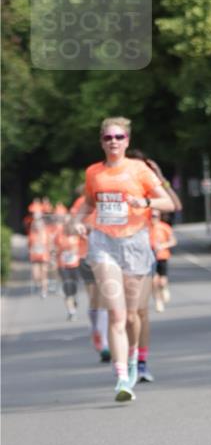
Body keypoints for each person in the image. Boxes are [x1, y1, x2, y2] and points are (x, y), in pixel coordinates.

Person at [72, 117, 174, 402]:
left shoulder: (139, 170)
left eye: (118, 137)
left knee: (132, 315)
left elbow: (168, 202)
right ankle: (120, 378)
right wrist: (80, 222)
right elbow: (89, 205)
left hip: (135, 243)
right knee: (116, 314)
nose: (113, 142)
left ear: (127, 141)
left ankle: (133, 362)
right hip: (103, 243)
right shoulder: (93, 173)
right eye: (108, 138)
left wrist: (147, 203)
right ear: (102, 142)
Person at [127, 149, 183, 383]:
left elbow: (175, 205)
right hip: (117, 251)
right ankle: (125, 361)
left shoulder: (152, 190)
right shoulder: (117, 185)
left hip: (144, 254)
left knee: (140, 312)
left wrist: (161, 178)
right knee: (124, 314)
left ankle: (139, 364)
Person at [70, 186, 111, 362]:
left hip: (110, 255)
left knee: (107, 297)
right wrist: (83, 227)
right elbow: (71, 227)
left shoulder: (111, 202)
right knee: (96, 298)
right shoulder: (81, 204)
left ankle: (104, 339)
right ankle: (98, 332)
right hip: (86, 254)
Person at [149, 210, 177, 312]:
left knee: (162, 281)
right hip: (150, 257)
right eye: (151, 216)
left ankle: (164, 288)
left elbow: (173, 241)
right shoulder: (145, 227)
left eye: (155, 216)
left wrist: (163, 245)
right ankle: (158, 301)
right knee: (153, 281)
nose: (153, 218)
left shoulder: (164, 227)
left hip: (162, 256)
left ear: (159, 216)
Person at [55, 216, 81, 320]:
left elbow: (83, 249)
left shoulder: (78, 235)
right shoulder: (59, 236)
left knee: (74, 287)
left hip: (76, 265)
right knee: (67, 288)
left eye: (69, 223)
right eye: (65, 224)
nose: (67, 226)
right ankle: (71, 311)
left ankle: (74, 298)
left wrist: (76, 252)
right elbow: (54, 248)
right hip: (63, 265)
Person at [28, 207, 51, 298]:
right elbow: (29, 245)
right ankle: (39, 284)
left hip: (44, 256)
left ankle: (44, 290)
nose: (38, 226)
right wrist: (30, 250)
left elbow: (49, 244)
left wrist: (50, 253)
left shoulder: (46, 233)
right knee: (36, 275)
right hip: (35, 256)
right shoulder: (32, 234)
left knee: (44, 274)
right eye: (36, 225)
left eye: (39, 224)